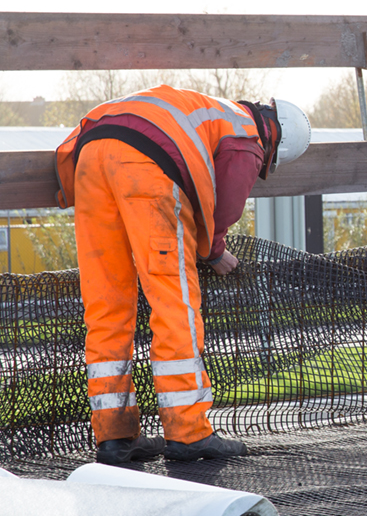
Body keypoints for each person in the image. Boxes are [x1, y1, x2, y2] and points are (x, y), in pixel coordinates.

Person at [54, 85, 311, 464]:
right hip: (143, 166)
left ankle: (114, 436)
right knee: (175, 304)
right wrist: (215, 252)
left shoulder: (211, 110)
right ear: (277, 145)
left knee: (107, 304)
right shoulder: (246, 135)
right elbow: (225, 206)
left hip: (89, 157)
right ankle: (189, 431)